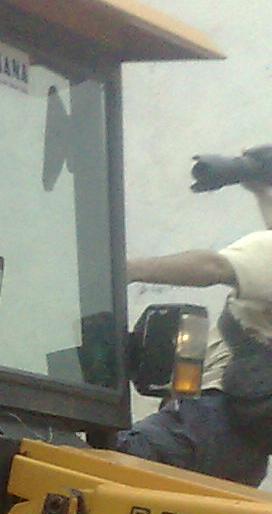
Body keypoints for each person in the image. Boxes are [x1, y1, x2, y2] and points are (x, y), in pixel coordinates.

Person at [116, 178, 272, 485]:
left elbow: (213, 266)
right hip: (250, 455)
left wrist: (129, 269)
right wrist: (262, 190)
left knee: (101, 466)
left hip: (208, 420)